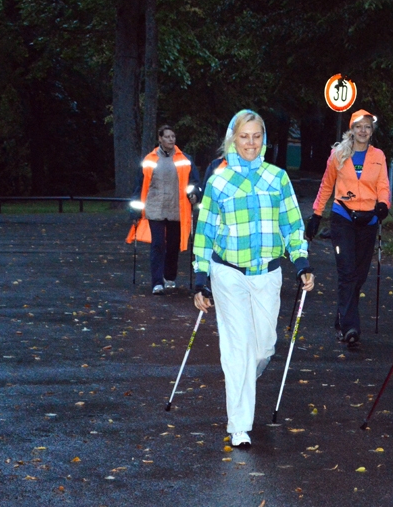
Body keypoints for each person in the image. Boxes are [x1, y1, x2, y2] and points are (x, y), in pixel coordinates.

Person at [192, 110, 314, 448]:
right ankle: (239, 425)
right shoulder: (218, 181)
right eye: (244, 136)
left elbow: (292, 224)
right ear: (233, 139)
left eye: (256, 136)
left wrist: (301, 262)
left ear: (263, 139)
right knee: (239, 348)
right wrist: (200, 276)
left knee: (263, 346)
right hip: (228, 272)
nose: (250, 142)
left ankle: (248, 374)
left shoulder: (277, 178)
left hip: (267, 273)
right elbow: (205, 231)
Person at [306, 109, 391, 347]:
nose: (363, 131)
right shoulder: (338, 154)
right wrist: (316, 215)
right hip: (343, 217)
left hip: (369, 220)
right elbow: (326, 185)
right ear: (351, 129)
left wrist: (384, 204)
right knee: (347, 272)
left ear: (371, 131)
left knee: (359, 275)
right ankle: (350, 326)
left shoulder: (378, 156)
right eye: (359, 126)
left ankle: (342, 317)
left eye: (367, 127)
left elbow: (383, 185)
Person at [127, 125, 200, 295]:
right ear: (160, 139)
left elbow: (195, 182)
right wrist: (135, 211)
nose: (171, 139)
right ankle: (157, 282)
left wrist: (195, 195)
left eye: (173, 136)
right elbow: (140, 185)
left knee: (173, 246)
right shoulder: (150, 160)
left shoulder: (185, 159)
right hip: (155, 209)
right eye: (167, 136)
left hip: (176, 209)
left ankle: (169, 277)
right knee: (158, 245)